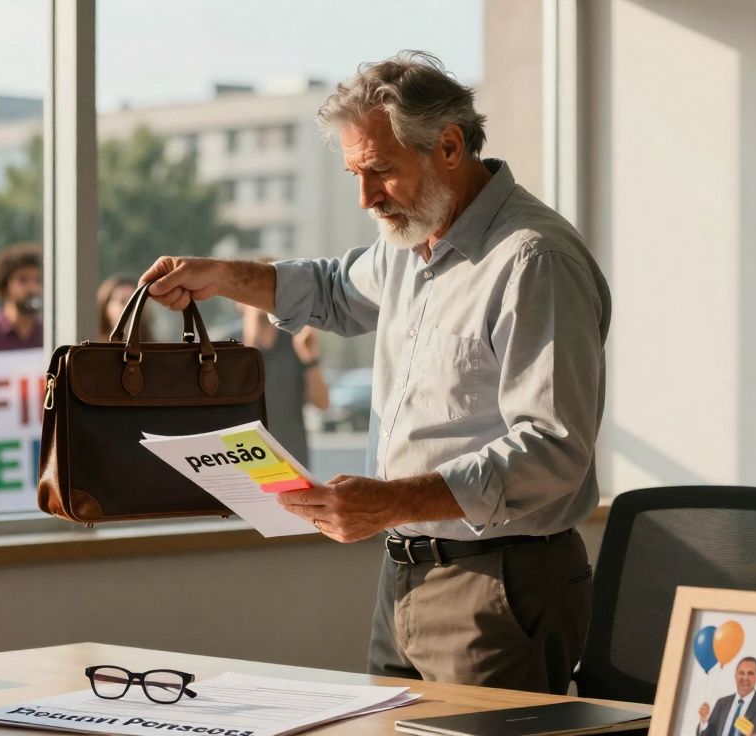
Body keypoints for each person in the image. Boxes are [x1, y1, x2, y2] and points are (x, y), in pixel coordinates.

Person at [140, 51, 610, 692]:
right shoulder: (409, 244)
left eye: (381, 172)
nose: (365, 198)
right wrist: (222, 277)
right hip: (403, 576)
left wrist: (391, 500)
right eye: (354, 174)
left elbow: (553, 451)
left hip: (498, 586)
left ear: (448, 146)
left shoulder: (533, 261)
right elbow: (331, 289)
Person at [236, 263, 329, 464]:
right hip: (246, 459)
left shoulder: (297, 341)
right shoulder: (225, 346)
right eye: (253, 291)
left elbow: (322, 402)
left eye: (269, 289)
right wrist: (251, 332)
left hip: (292, 458)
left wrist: (310, 360)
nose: (260, 298)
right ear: (240, 300)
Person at [698, 657, 756, 736]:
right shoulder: (722, 703)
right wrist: (704, 722)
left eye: (750, 673)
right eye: (741, 673)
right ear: (735, 675)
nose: (745, 678)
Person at [97, 273, 154, 342]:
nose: (131, 308)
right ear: (106, 309)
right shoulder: (93, 351)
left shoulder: (156, 350)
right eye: (123, 301)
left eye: (135, 302)